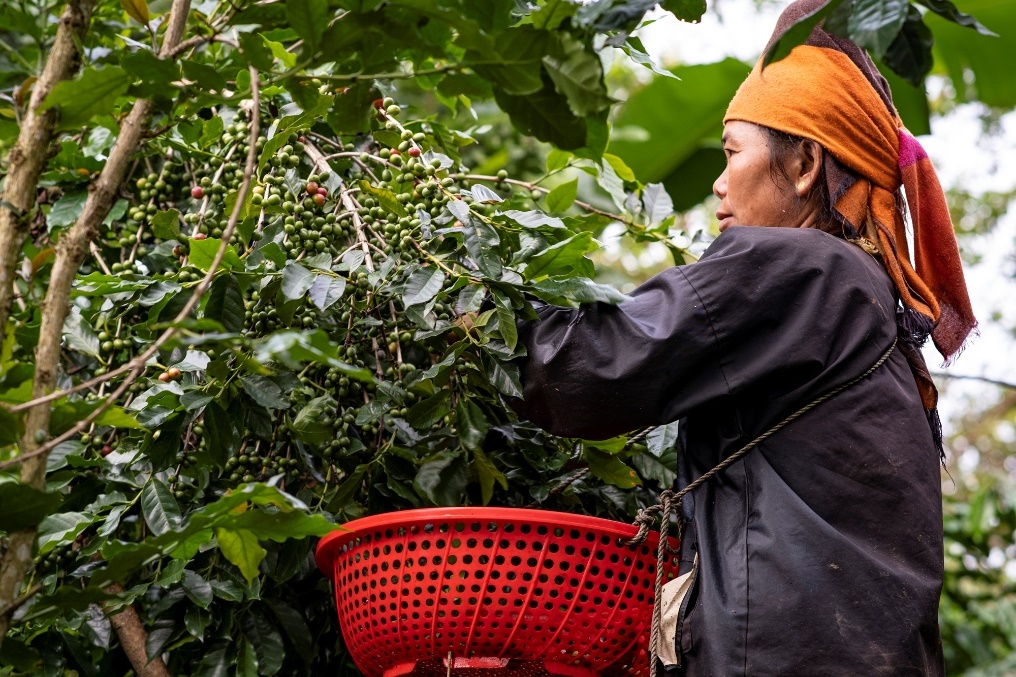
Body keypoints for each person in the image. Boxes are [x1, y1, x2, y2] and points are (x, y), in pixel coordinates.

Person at [512, 1, 977, 674]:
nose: (719, 182)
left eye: (733, 153)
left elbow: (583, 370)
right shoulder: (870, 299)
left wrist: (470, 320)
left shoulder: (802, 269)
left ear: (804, 165)